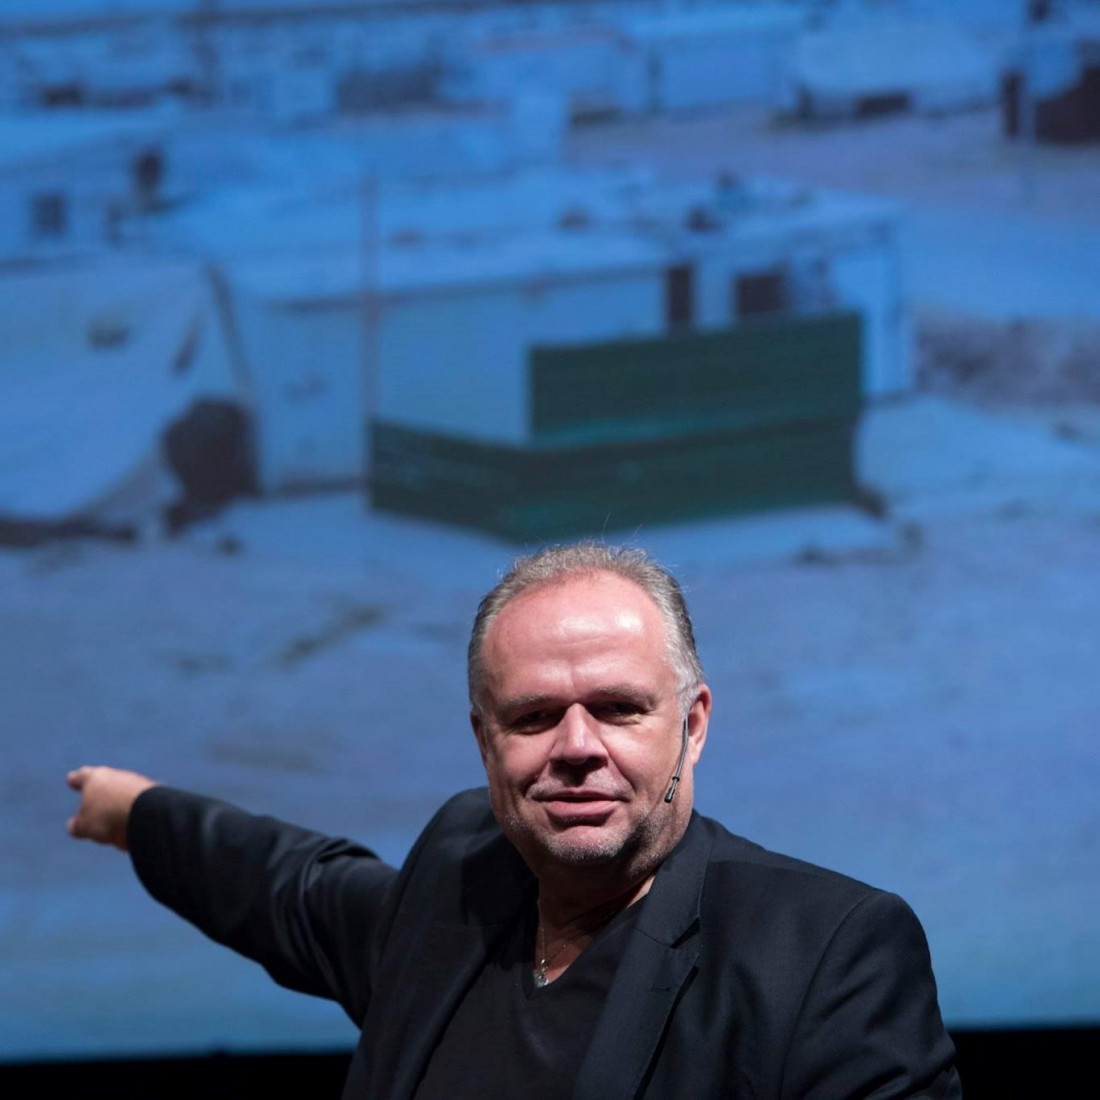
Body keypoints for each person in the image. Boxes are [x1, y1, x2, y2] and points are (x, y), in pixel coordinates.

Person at [67, 543, 961, 1099]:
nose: (576, 746)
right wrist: (133, 812)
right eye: (533, 717)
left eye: (618, 708)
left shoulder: (826, 950)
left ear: (692, 724)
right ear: (484, 740)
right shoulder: (461, 878)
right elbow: (292, 889)